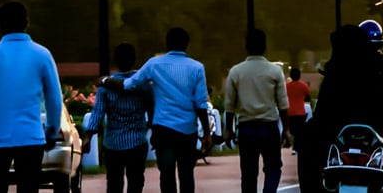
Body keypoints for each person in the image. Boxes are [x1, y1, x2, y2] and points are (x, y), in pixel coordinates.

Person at [296, 24, 383, 192]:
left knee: (306, 139)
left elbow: (322, 111)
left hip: (337, 128)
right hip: (374, 127)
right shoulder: (377, 67)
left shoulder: (335, 70)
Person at [105, 27, 209, 193]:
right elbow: (201, 105)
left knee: (166, 174)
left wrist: (105, 80)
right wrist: (207, 135)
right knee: (187, 174)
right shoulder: (197, 67)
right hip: (188, 131)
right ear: (187, 45)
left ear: (167, 44)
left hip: (164, 131)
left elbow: (128, 84)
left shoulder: (154, 64)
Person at [0, 2, 64, 193]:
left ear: (0, 24)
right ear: (26, 22)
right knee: (28, 187)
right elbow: (54, 98)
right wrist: (52, 130)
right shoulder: (42, 54)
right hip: (31, 137)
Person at [224, 29, 290, 193]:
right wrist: (286, 130)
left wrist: (228, 129)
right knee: (273, 167)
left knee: (248, 173)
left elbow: (229, 105)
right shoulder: (274, 71)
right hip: (268, 125)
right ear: (265, 46)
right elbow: (283, 104)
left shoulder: (236, 71)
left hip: (246, 127)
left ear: (246, 46)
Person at [85, 42, 152, 193]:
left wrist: (88, 136)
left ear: (115, 60)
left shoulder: (105, 86)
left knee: (114, 183)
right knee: (136, 182)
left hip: (113, 144)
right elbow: (151, 108)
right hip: (138, 141)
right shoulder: (143, 84)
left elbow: (97, 114)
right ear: (134, 59)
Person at [285, 68, 311, 155]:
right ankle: (296, 147)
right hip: (300, 112)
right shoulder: (303, 85)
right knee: (299, 131)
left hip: (289, 112)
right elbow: (308, 97)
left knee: (292, 131)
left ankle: (293, 146)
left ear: (290, 76)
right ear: (299, 75)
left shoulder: (286, 86)